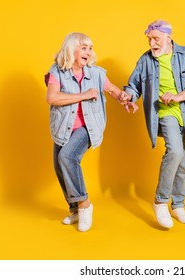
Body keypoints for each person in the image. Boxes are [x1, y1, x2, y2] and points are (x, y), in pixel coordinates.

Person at [45, 32, 137, 232]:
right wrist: (84, 95)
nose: (89, 52)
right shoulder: (57, 71)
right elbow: (52, 98)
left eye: (90, 47)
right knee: (60, 167)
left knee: (67, 157)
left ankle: (85, 205)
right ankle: (75, 210)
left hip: (88, 126)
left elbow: (112, 90)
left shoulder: (96, 73)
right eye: (84, 47)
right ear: (71, 49)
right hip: (63, 127)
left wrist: (125, 99)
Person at [122, 20, 185, 228]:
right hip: (164, 112)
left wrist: (178, 97)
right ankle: (160, 202)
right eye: (149, 39)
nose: (152, 43)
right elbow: (134, 85)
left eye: (156, 38)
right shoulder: (145, 60)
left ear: (168, 37)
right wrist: (129, 97)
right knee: (175, 152)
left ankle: (177, 205)